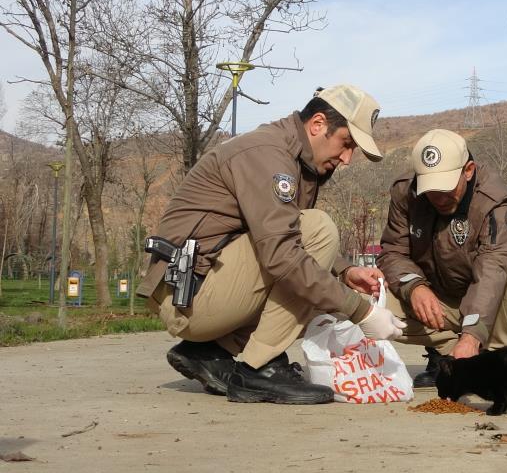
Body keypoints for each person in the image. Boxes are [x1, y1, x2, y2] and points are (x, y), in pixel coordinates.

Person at [139, 85, 405, 405]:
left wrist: (344, 270)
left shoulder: (295, 159)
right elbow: (283, 253)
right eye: (346, 143)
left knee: (319, 282)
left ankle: (209, 352)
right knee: (317, 234)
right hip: (189, 298)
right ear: (318, 125)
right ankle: (258, 369)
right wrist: (361, 313)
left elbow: (283, 233)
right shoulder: (268, 154)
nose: (347, 158)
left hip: (201, 288)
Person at [377, 129, 507, 387]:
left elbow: (493, 268)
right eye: (431, 189)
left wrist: (471, 335)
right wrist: (414, 287)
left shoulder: (494, 200)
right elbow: (393, 251)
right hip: (439, 298)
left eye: (446, 187)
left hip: (495, 297)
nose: (439, 198)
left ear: (468, 170)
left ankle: (493, 360)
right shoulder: (406, 193)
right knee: (369, 301)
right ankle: (446, 355)